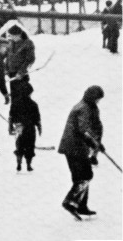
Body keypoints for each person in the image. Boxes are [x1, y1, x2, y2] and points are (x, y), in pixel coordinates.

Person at [58, 85, 105, 219]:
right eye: (97, 99)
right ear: (92, 97)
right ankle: (70, 201)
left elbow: (94, 128)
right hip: (74, 147)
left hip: (76, 147)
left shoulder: (87, 106)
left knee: (82, 176)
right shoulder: (83, 108)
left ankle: (81, 206)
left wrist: (97, 144)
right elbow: (83, 130)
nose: (98, 101)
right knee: (85, 175)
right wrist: (94, 143)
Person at [8, 82, 42, 172]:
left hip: (19, 127)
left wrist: (10, 127)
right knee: (30, 146)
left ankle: (19, 163)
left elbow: (11, 116)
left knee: (19, 146)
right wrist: (39, 127)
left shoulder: (15, 103)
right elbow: (37, 118)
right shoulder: (33, 104)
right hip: (30, 128)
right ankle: (29, 165)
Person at [5, 25, 35, 102]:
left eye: (12, 35)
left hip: (21, 75)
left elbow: (29, 59)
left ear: (18, 35)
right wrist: (6, 69)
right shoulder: (10, 43)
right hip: (12, 74)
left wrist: (21, 72)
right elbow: (8, 57)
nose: (10, 37)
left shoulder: (27, 43)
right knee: (14, 98)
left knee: (22, 97)